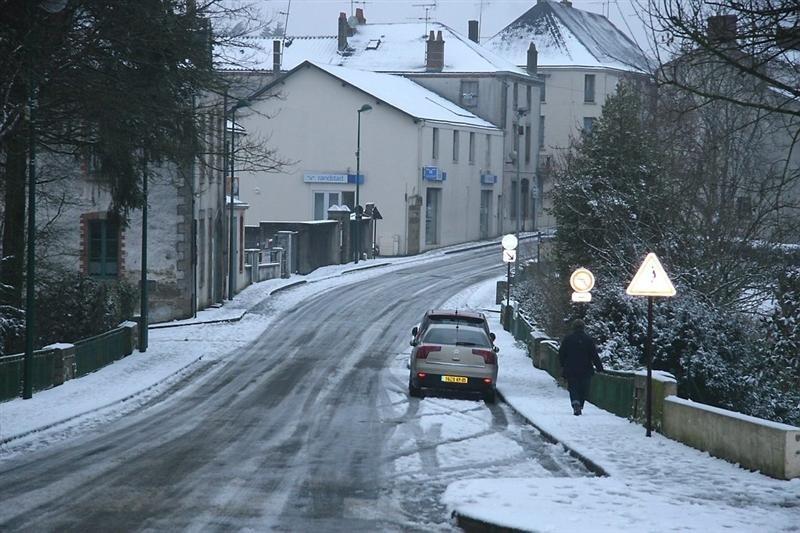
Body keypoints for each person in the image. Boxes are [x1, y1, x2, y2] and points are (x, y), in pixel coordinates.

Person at [558, 318, 604, 416]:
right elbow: (594, 355)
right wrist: (599, 367)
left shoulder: (568, 339)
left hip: (571, 369)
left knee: (573, 387)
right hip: (586, 369)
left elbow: (561, 353)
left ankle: (576, 404)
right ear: (583, 328)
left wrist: (563, 365)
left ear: (573, 327)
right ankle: (580, 404)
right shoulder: (588, 339)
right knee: (583, 388)